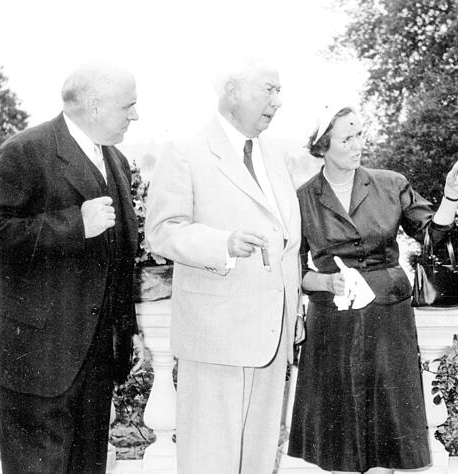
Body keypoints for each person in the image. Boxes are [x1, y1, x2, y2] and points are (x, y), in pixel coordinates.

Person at [0, 63, 144, 473]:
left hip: (95, 361)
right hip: (33, 358)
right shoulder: (25, 150)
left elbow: (118, 260)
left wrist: (125, 333)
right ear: (96, 107)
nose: (135, 116)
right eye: (129, 106)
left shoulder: (115, 160)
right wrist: (74, 225)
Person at [287, 103, 458, 474]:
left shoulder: (390, 183)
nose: (358, 144)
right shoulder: (302, 198)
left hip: (388, 317)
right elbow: (292, 269)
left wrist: (451, 195)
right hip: (333, 322)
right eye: (347, 138)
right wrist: (325, 281)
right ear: (323, 146)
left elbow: (431, 235)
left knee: (388, 429)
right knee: (339, 433)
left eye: (360, 135)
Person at [145, 57, 303, 473]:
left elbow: (288, 241)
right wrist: (223, 244)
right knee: (209, 460)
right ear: (232, 90)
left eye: (279, 90)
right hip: (216, 335)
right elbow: (161, 230)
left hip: (272, 335)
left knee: (257, 459)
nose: (278, 101)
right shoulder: (185, 152)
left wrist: (294, 307)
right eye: (269, 89)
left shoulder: (275, 154)